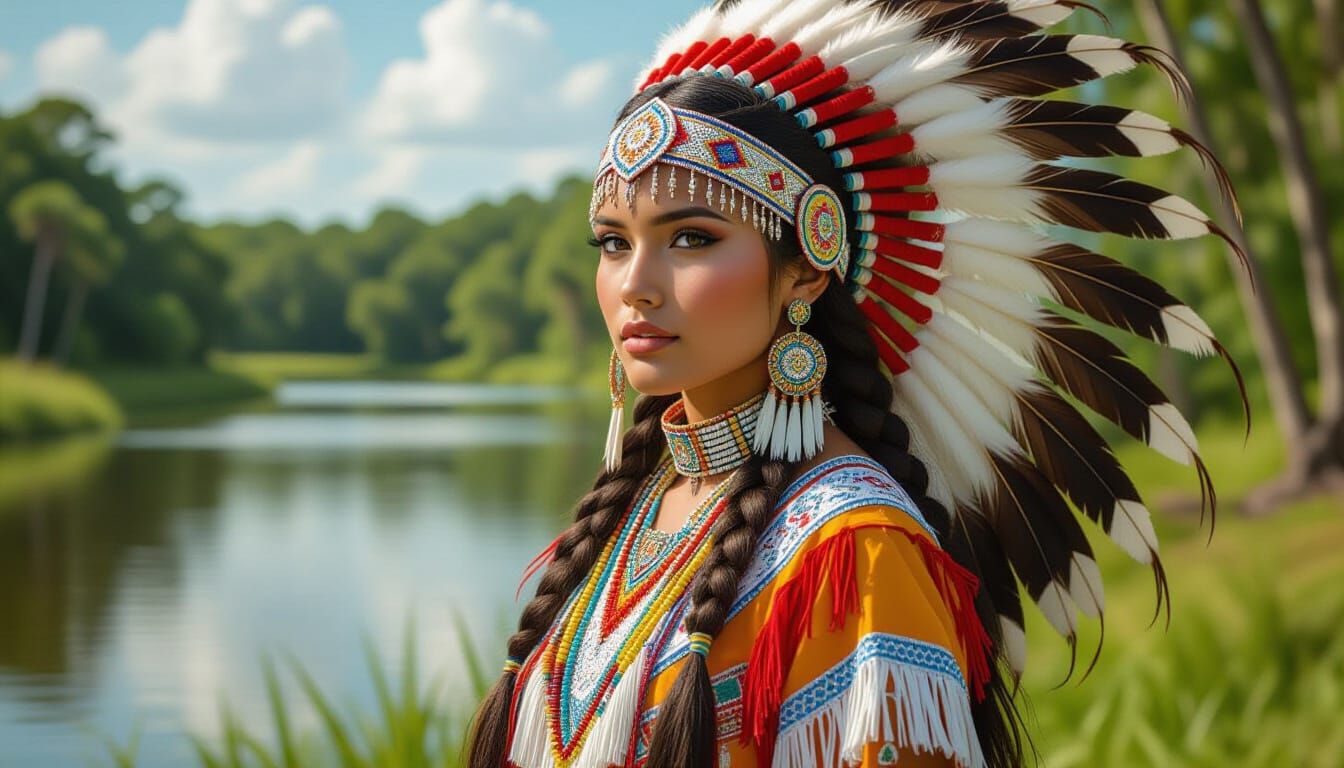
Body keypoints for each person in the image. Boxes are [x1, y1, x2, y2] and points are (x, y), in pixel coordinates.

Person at [467, 1, 1242, 766]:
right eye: (612, 242)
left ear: (806, 268)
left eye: (692, 238)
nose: (634, 284)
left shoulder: (858, 555)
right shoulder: (622, 521)